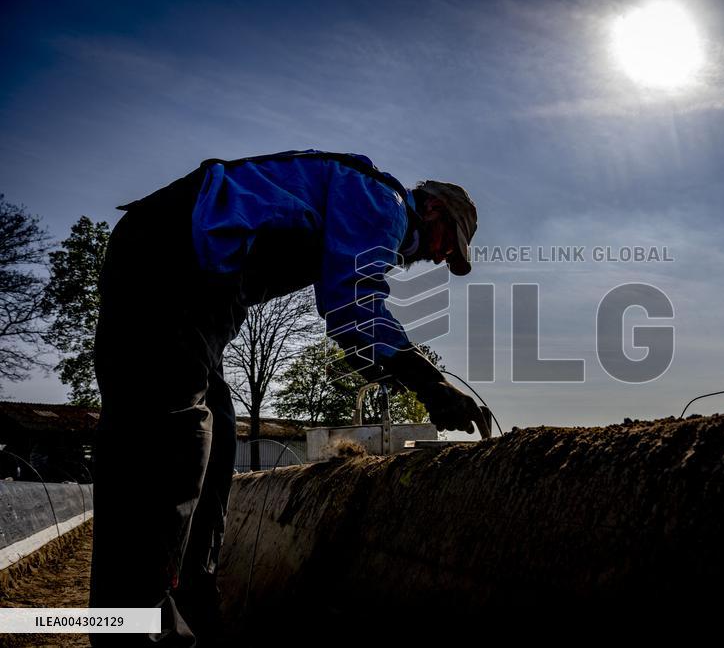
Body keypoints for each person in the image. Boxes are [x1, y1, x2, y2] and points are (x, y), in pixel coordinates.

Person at [88, 149, 485, 646]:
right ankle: (131, 634)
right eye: (451, 243)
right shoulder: (384, 203)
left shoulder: (364, 200)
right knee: (169, 445)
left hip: (199, 290)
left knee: (215, 447)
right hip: (169, 262)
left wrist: (410, 373)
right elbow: (353, 303)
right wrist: (428, 380)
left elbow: (351, 309)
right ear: (432, 211)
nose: (444, 257)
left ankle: (195, 615)